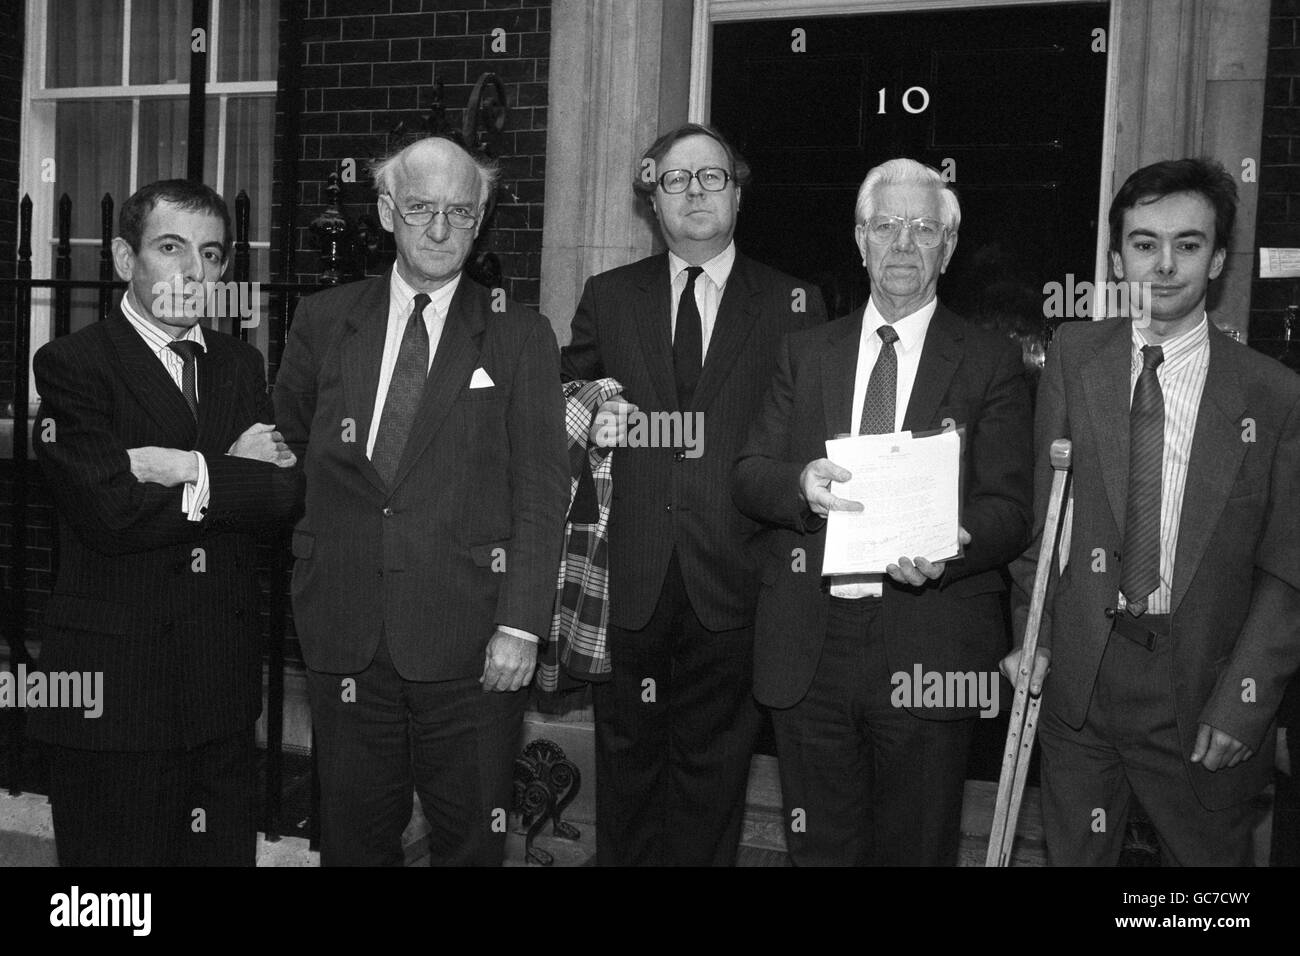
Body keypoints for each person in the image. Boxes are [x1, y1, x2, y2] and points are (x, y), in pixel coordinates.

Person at [273, 135, 568, 866]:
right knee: (351, 843)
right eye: (420, 209)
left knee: (471, 843)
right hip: (344, 635)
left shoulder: (519, 336)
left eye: (460, 212)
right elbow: (285, 456)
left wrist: (523, 626)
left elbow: (541, 488)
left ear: (482, 218)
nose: (440, 230)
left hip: (473, 646)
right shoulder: (321, 319)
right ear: (384, 211)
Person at [732, 158, 1033, 865]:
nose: (904, 243)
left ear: (949, 248)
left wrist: (953, 542)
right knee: (821, 850)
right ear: (860, 239)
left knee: (917, 849)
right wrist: (798, 484)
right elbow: (748, 476)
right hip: (812, 643)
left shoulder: (990, 360)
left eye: (924, 228)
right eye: (886, 226)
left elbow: (1011, 509)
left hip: (928, 641)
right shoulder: (805, 352)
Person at [1004, 157, 1300, 866]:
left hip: (1202, 689)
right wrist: (1032, 634)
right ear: (1116, 259)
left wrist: (1243, 705)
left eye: (1188, 244)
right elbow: (1043, 528)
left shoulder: (1273, 395)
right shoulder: (1074, 357)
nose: (1164, 265)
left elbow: (1288, 567)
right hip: (1081, 681)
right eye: (1144, 244)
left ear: (1219, 258)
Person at [562, 122, 827, 866]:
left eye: (712, 177)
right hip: (631, 577)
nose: (695, 193)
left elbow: (815, 438)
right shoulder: (608, 296)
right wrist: (595, 407)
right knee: (627, 774)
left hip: (739, 580)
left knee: (715, 784)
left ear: (738, 195)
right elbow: (561, 391)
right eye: (675, 180)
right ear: (652, 201)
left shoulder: (796, 302)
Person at [31, 179, 299, 866]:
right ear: (125, 258)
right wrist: (226, 470)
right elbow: (112, 514)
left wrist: (178, 468)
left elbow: (282, 496)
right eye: (171, 248)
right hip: (116, 694)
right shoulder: (73, 365)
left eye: (211, 255)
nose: (193, 273)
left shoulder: (240, 364)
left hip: (220, 693)